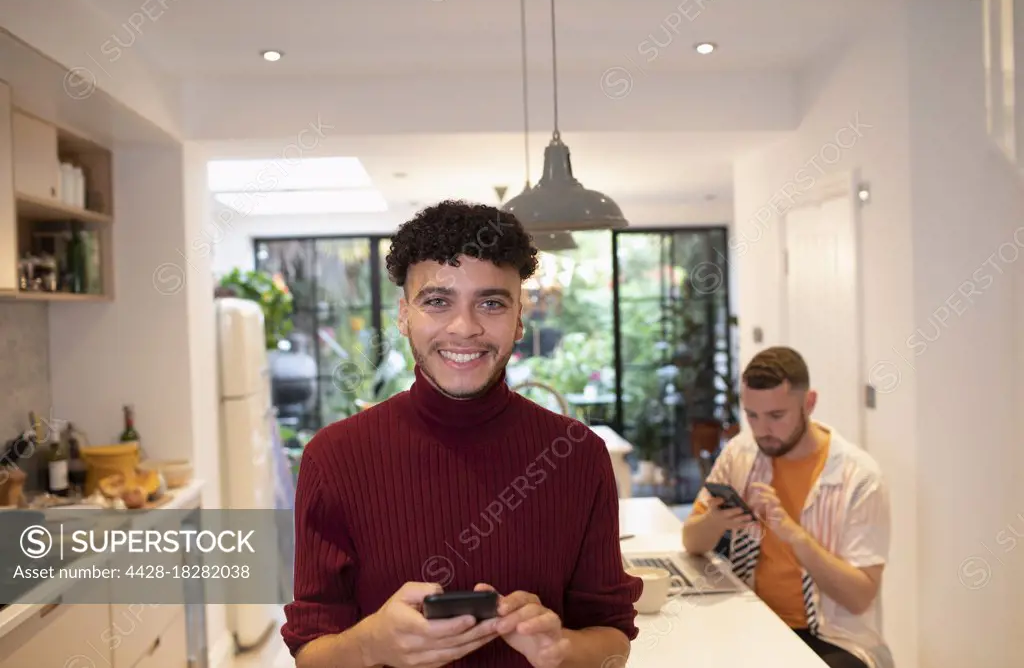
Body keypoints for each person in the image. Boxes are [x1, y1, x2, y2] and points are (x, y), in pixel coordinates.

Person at [281, 200, 642, 668]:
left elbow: (613, 636)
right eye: (437, 301)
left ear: (518, 319)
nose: (465, 328)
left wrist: (563, 649)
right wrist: (372, 643)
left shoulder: (577, 454)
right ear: (404, 315)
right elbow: (310, 653)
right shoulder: (333, 458)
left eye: (491, 303)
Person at [682, 346, 892, 668]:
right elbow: (691, 542)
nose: (762, 431)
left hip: (829, 636)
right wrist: (717, 520)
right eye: (751, 415)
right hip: (751, 616)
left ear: (809, 403)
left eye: (776, 416)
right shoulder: (741, 453)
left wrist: (796, 537)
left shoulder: (859, 477)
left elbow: (860, 596)